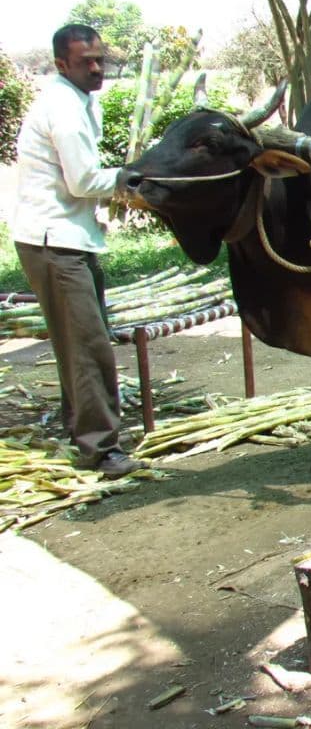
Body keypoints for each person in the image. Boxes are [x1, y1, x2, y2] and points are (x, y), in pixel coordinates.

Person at [10, 24, 140, 479]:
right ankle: (100, 450)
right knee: (87, 347)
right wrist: (129, 178)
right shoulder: (63, 107)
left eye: (100, 59)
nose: (96, 67)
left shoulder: (79, 101)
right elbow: (83, 181)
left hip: (69, 238)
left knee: (82, 341)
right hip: (54, 242)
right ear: (61, 64)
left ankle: (85, 433)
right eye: (86, 61)